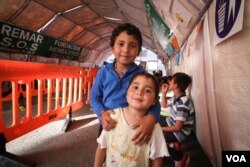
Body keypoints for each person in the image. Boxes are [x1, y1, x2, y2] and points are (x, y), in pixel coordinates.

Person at [90, 23, 160, 145]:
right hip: (108, 123)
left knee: (129, 155)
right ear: (112, 47)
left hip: (132, 125)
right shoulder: (103, 72)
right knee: (105, 152)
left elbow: (155, 101)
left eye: (132, 46)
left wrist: (151, 118)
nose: (126, 50)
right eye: (121, 44)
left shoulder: (142, 75)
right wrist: (102, 113)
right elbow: (94, 97)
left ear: (138, 51)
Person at [94, 72, 169, 167]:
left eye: (147, 90)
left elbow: (157, 159)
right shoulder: (113, 116)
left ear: (154, 101)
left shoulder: (153, 127)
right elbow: (102, 145)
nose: (140, 92)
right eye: (135, 87)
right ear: (126, 93)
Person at [160, 72, 194, 166]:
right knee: (152, 121)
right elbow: (164, 104)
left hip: (179, 133)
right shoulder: (177, 97)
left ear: (176, 85)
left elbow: (177, 128)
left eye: (171, 81)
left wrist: (159, 129)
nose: (169, 82)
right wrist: (164, 93)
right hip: (170, 122)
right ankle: (171, 145)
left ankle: (180, 158)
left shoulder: (182, 103)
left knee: (153, 139)